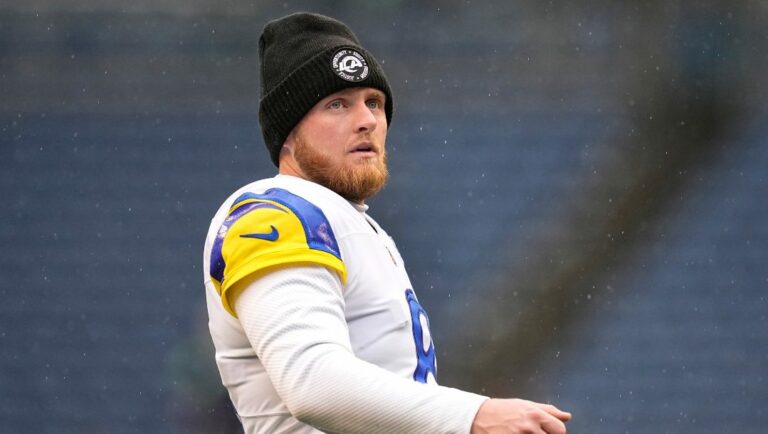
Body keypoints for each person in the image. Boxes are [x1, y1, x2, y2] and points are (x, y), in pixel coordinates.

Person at [203, 12, 572, 434]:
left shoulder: (350, 223)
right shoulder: (276, 214)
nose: (367, 120)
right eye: (337, 104)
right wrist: (472, 415)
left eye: (374, 103)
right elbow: (312, 383)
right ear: (287, 132)